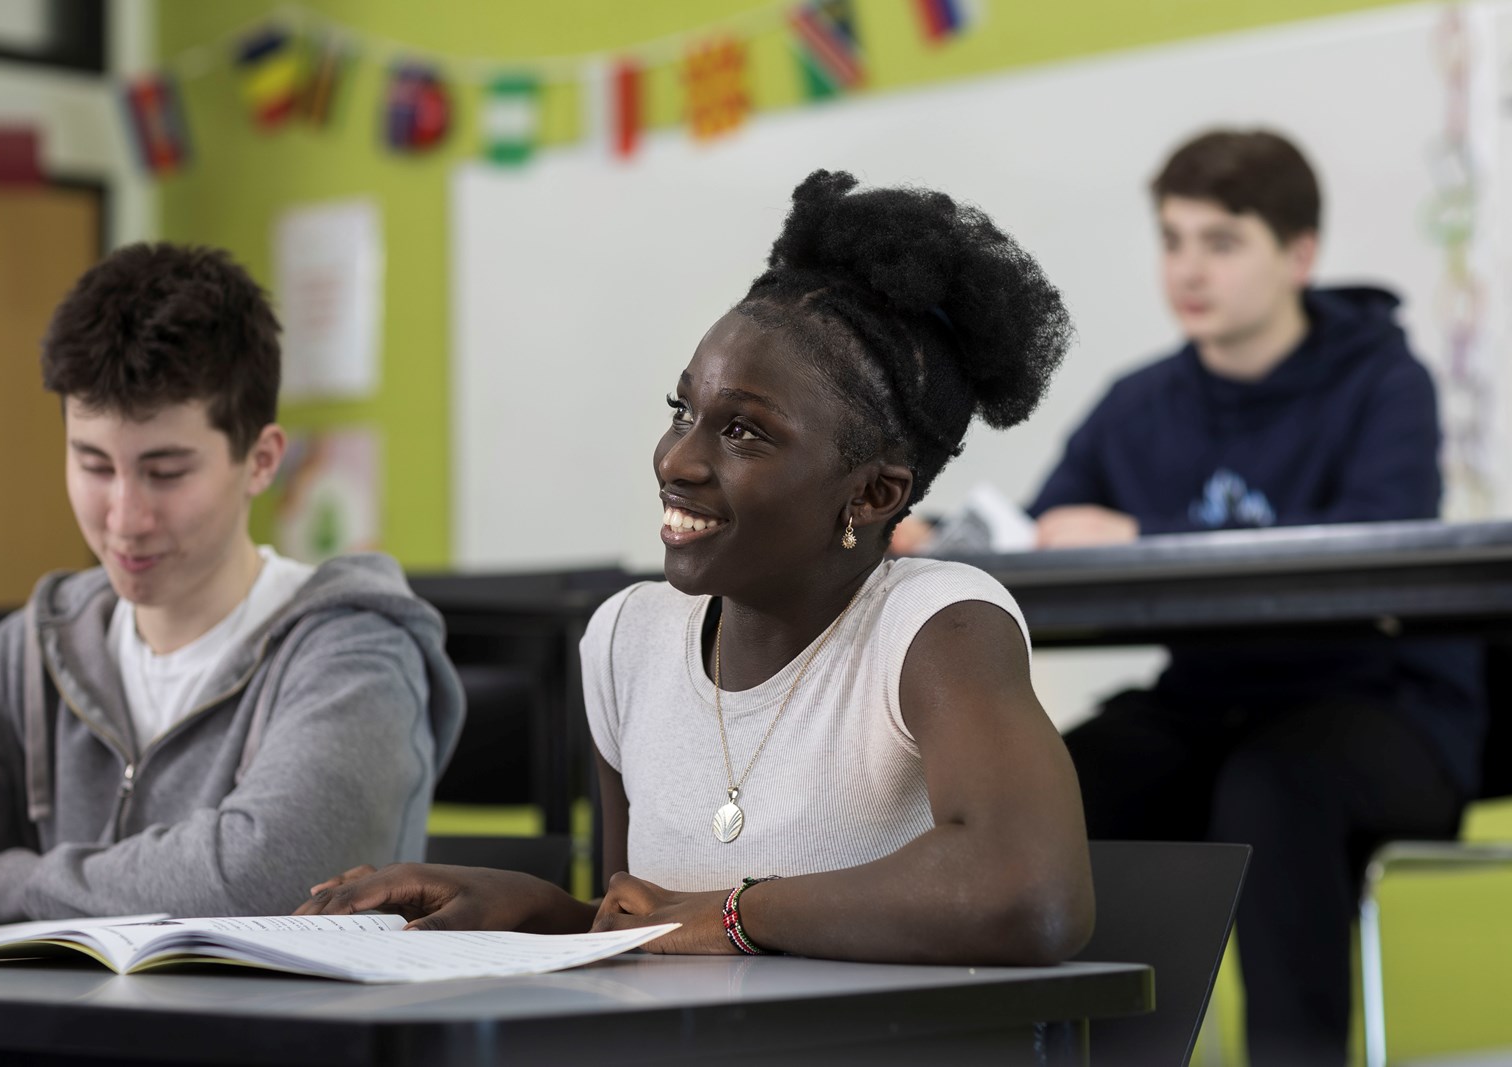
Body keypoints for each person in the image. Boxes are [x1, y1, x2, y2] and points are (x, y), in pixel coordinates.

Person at [297, 170, 1093, 965]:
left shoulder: (938, 625)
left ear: (874, 492)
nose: (677, 458)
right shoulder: (627, 637)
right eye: (684, 410)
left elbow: (1033, 892)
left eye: (744, 432)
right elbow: (653, 933)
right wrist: (538, 912)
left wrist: (736, 914)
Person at [1029, 130, 1486, 1066]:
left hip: (1380, 704)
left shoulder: (1384, 382)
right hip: (1213, 705)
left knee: (1275, 788)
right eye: (1173, 239)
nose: (1189, 269)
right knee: (1059, 784)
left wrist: (1145, 538)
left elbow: (1373, 562)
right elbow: (1046, 530)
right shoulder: (1139, 401)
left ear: (1299, 255)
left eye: (1223, 241)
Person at [0, 243, 464, 937]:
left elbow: (269, 874)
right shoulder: (36, 647)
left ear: (261, 460)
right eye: (93, 464)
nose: (123, 517)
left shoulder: (356, 648)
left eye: (165, 471)